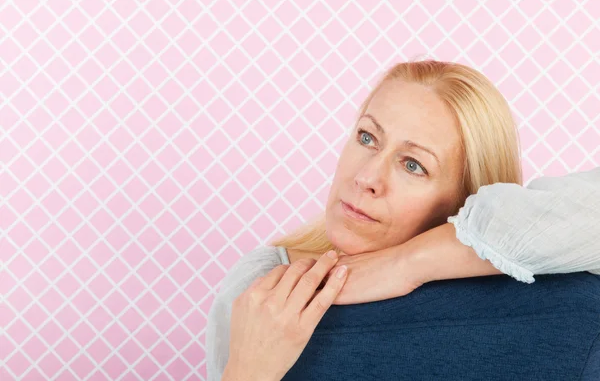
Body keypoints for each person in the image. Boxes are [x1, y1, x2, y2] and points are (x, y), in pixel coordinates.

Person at [205, 59, 600, 380]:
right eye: (366, 138)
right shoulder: (265, 285)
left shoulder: (506, 295)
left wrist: (410, 263)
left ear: (466, 198)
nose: (366, 178)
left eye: (413, 165)